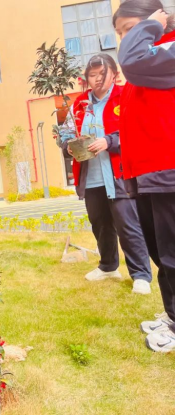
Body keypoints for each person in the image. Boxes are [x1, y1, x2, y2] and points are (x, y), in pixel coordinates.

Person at [60, 54, 152, 294]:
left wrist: (109, 141)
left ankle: (140, 275)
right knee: (100, 224)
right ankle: (108, 266)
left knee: (128, 225)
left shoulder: (125, 96)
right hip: (91, 177)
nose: (98, 79)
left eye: (103, 73)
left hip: (120, 175)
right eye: (93, 75)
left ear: (114, 74)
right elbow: (66, 133)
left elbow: (139, 129)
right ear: (86, 78)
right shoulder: (79, 104)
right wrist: (68, 146)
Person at [113, 0, 175, 352]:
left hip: (168, 170)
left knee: (172, 252)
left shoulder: (165, 49)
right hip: (149, 173)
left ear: (158, 18)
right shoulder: (154, 57)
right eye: (120, 33)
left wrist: (151, 26)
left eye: (128, 29)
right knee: (162, 253)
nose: (125, 39)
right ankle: (172, 314)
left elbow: (132, 60)